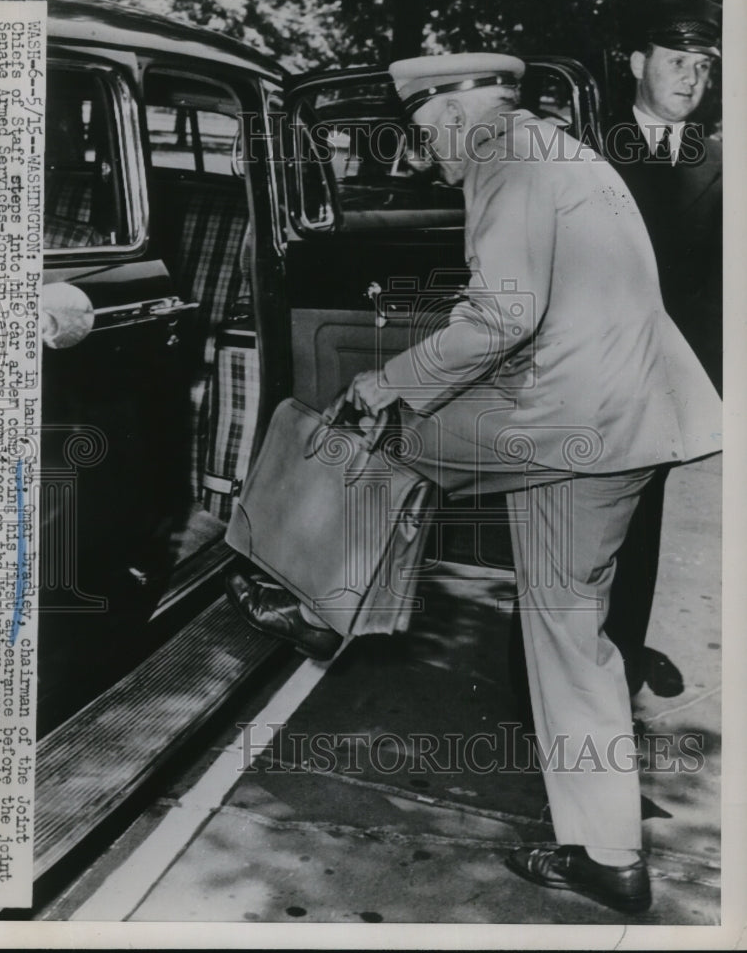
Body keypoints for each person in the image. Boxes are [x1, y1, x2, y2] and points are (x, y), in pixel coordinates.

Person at [227, 52, 721, 913]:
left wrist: (389, 380)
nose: (423, 156)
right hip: (628, 423)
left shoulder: (505, 159)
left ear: (458, 115)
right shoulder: (563, 153)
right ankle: (608, 856)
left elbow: (502, 314)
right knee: (571, 633)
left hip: (567, 418)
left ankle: (318, 609)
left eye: (423, 135)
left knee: (372, 431)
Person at [603, 0, 722, 699]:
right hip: (584, 383)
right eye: (676, 61)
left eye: (703, 67)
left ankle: (615, 674)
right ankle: (538, 707)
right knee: (563, 549)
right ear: (637, 62)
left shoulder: (717, 161)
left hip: (664, 391)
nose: (690, 78)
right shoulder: (582, 147)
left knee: (640, 534)